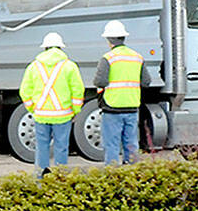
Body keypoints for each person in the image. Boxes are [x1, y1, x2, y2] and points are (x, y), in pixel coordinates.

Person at [19, 32, 84, 177]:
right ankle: (60, 178)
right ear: (61, 48)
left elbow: (24, 91)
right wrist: (75, 110)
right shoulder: (69, 66)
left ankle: (41, 178)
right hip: (63, 116)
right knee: (61, 147)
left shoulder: (33, 66)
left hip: (41, 115)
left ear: (45, 48)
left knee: (42, 147)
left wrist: (32, 108)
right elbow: (78, 91)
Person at [93, 20, 151, 164]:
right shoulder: (137, 57)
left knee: (112, 145)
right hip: (131, 106)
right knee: (131, 144)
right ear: (123, 37)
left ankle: (113, 175)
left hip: (112, 108)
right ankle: (132, 173)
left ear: (109, 40)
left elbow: (100, 82)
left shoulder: (108, 58)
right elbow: (146, 81)